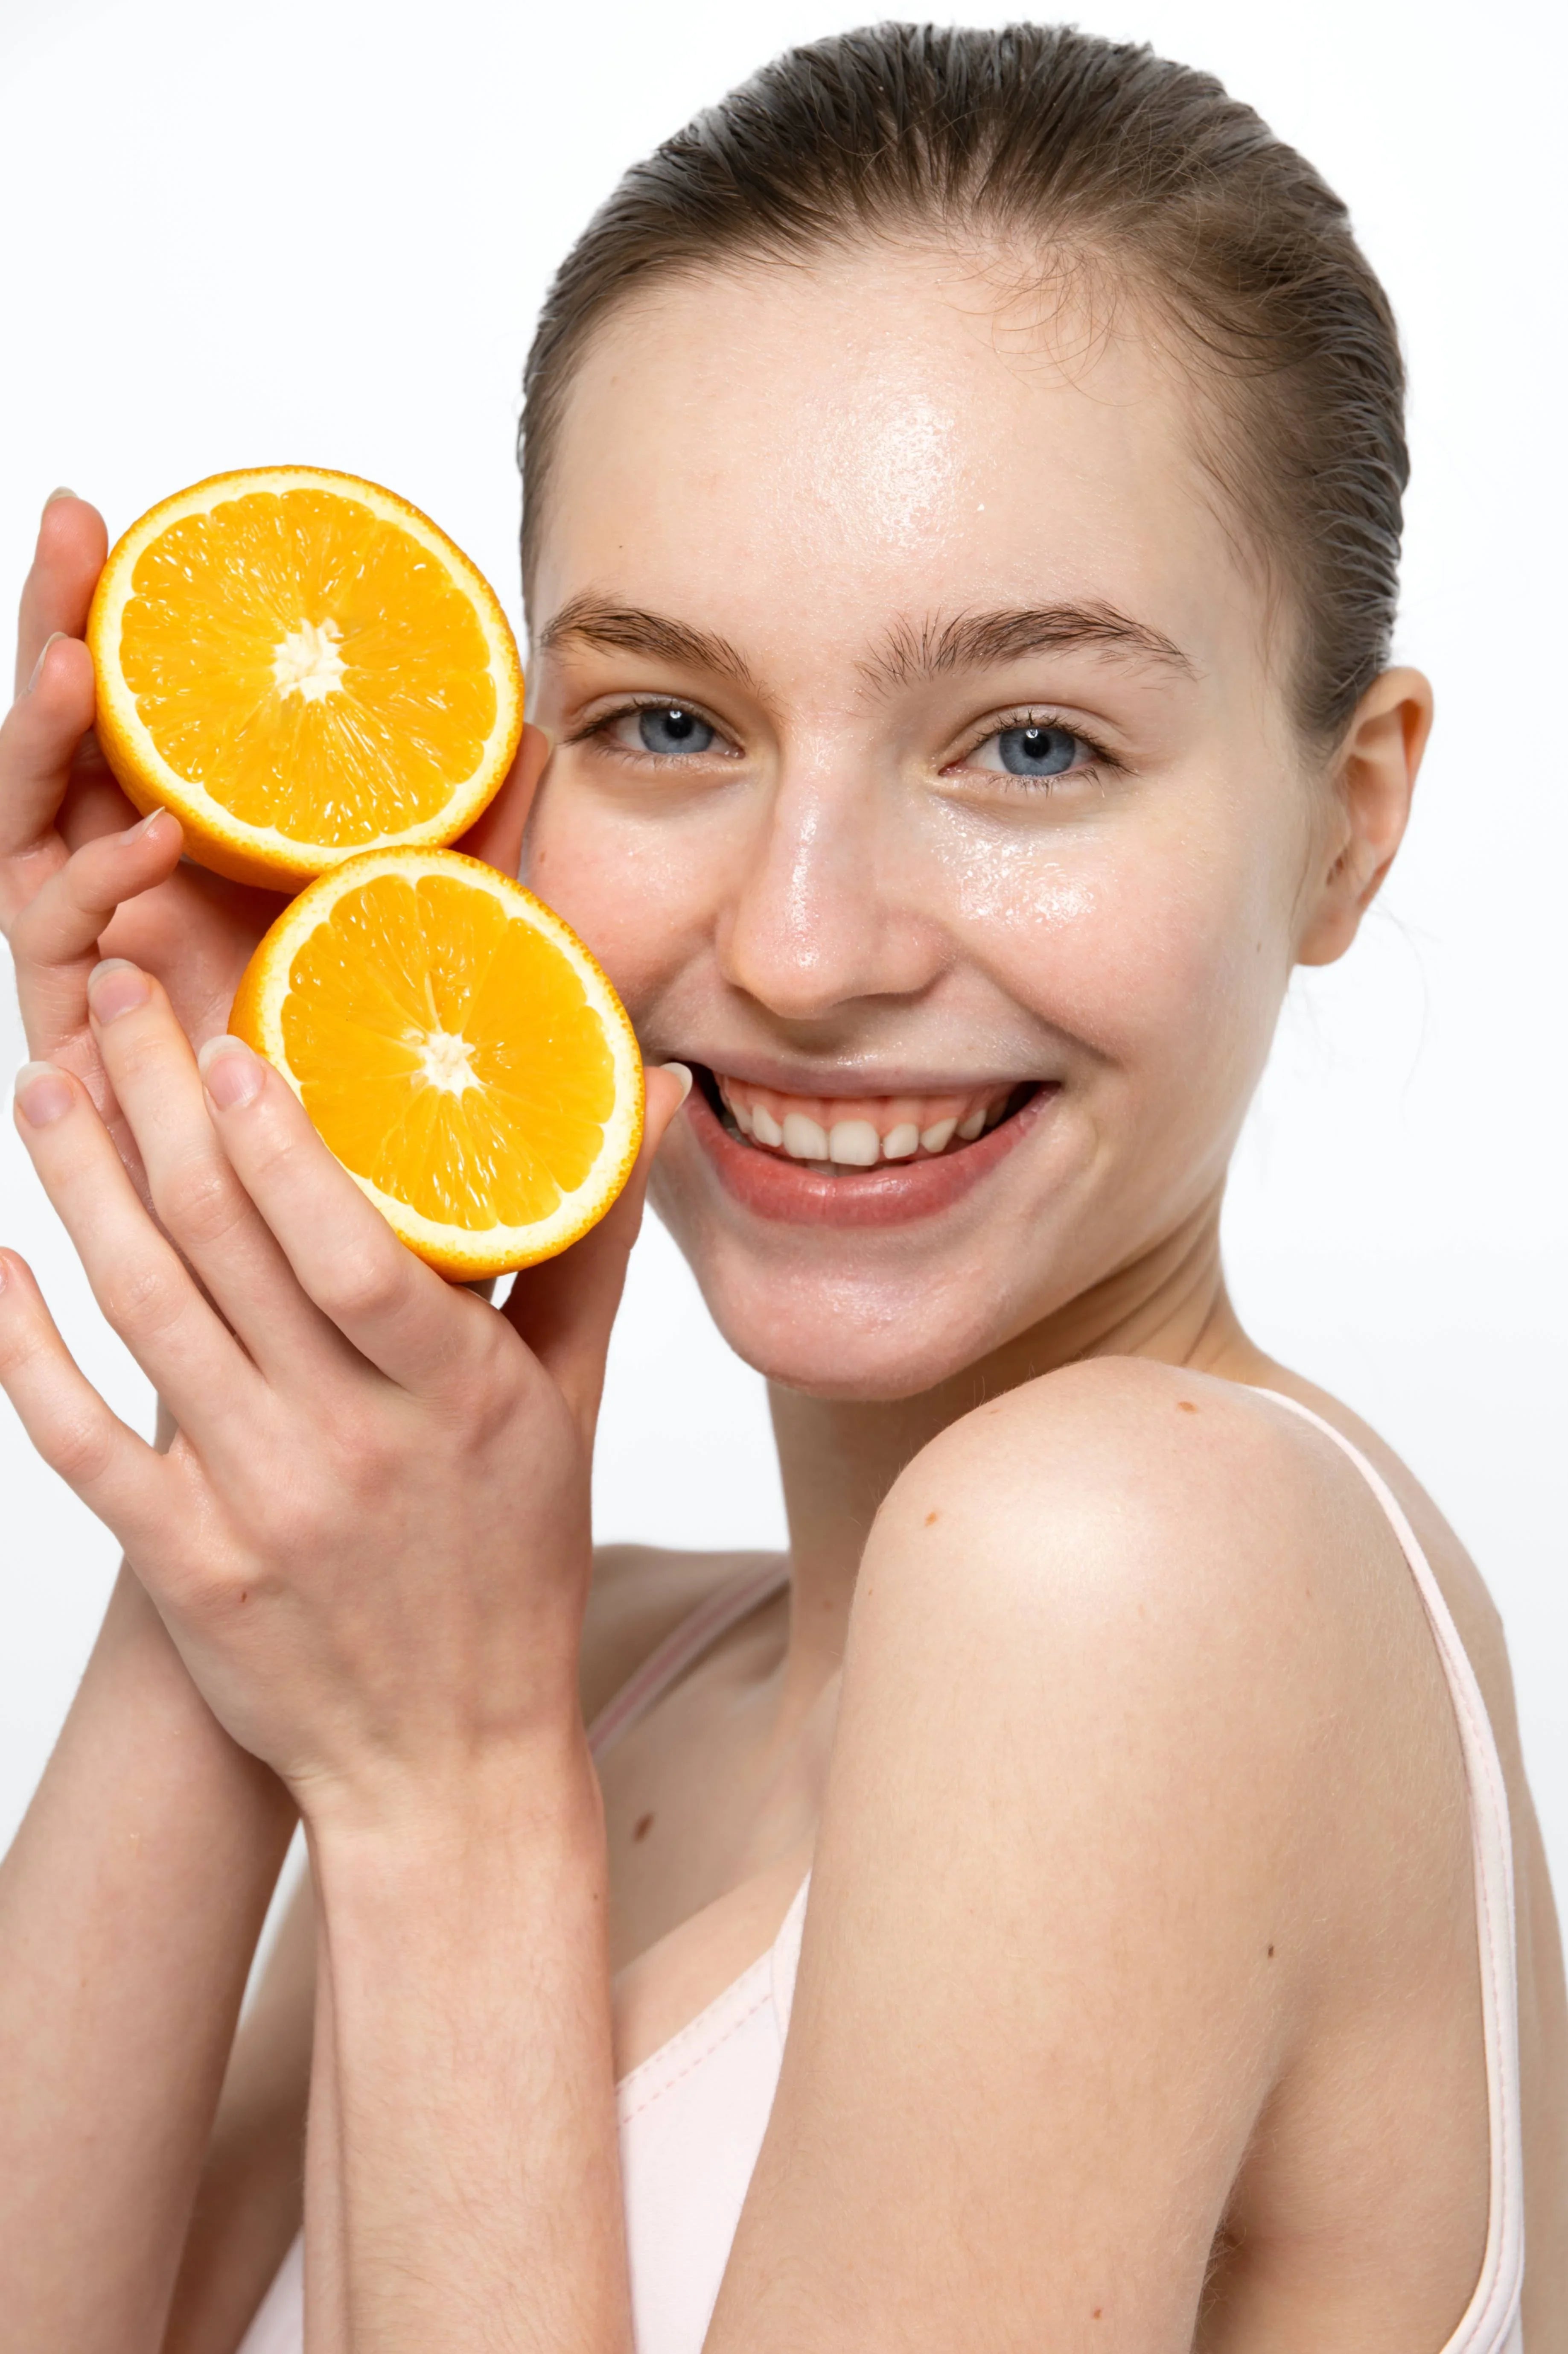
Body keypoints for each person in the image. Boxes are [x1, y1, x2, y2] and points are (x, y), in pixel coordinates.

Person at [0, 21, 1562, 2350]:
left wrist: (435, 1796)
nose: (803, 943)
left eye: (1032, 742)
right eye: (668, 724)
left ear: (1350, 819)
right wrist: (276, 1304)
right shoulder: (588, 1657)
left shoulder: (1133, 1563)